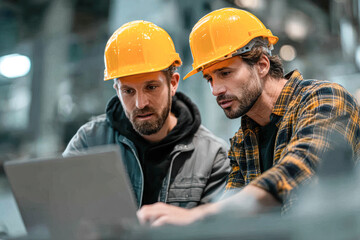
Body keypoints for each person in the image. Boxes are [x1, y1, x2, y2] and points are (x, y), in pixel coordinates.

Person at [137, 8, 360, 226]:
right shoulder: (243, 142)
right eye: (210, 79)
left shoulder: (325, 99)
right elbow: (234, 213)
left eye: (225, 73)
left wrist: (200, 215)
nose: (216, 90)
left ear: (262, 65)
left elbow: (301, 169)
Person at [63, 20, 230, 209]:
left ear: (173, 83)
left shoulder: (212, 157)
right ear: (116, 89)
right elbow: (61, 209)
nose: (140, 103)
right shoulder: (89, 142)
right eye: (128, 91)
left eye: (151, 87)